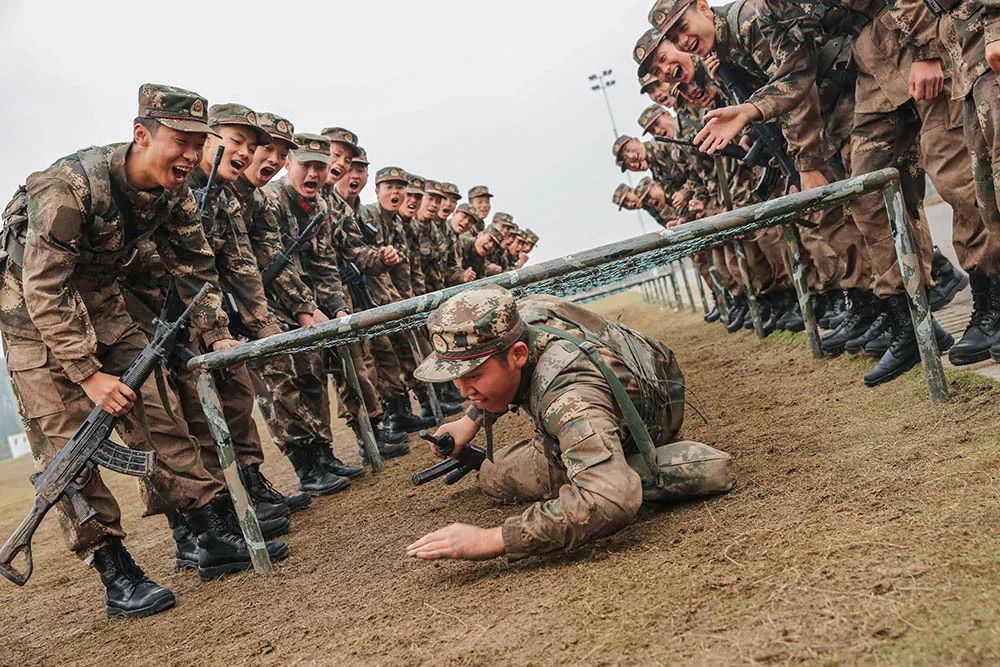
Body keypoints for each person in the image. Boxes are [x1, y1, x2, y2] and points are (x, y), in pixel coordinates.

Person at [0, 83, 287, 618]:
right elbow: (44, 291)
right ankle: (114, 571)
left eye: (199, 143)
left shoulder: (174, 192)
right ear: (141, 135)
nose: (191, 155)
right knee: (69, 449)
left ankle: (203, 533)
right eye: (180, 140)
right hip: (30, 320)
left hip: (103, 302)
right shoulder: (68, 189)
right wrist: (88, 374)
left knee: (161, 412)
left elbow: (194, 264)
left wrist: (216, 331)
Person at [405, 286, 732, 561]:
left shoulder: (569, 399)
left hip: (645, 423)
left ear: (517, 354)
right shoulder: (525, 313)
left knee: (496, 476)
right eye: (455, 378)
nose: (463, 389)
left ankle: (651, 466)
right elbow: (503, 370)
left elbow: (611, 498)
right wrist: (469, 420)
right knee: (501, 468)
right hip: (650, 386)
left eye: (473, 376)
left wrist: (494, 539)